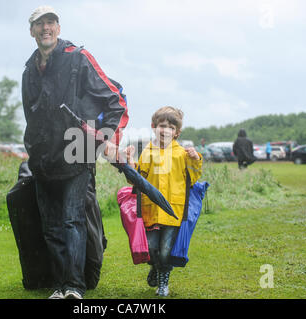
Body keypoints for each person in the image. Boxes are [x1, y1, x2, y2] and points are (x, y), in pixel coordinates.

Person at [22, 6, 128, 299]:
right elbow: (31, 116)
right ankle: (60, 286)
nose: (45, 28)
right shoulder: (29, 69)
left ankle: (75, 287)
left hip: (76, 151)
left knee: (71, 220)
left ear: (58, 27)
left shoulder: (78, 58)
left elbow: (116, 101)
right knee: (52, 225)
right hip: (43, 158)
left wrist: (107, 139)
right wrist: (34, 150)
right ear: (31, 31)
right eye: (39, 24)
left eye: (50, 23)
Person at [124, 106, 203, 297]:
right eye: (162, 125)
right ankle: (155, 267)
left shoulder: (182, 154)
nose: (165, 130)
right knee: (151, 249)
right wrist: (129, 162)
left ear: (177, 132)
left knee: (166, 250)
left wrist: (195, 159)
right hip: (151, 209)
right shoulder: (148, 152)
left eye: (170, 127)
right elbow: (137, 178)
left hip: (173, 210)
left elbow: (192, 178)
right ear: (154, 127)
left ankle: (163, 283)